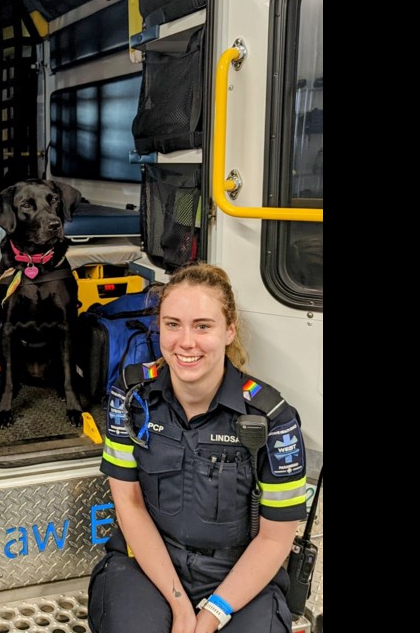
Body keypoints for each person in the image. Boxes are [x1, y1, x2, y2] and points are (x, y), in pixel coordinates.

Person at [88, 263, 307, 633]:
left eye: (203, 326)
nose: (185, 342)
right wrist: (180, 606)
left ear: (229, 331)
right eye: (172, 325)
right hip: (146, 567)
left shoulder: (273, 419)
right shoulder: (130, 396)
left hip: (239, 576)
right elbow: (129, 503)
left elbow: (275, 538)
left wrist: (211, 615)